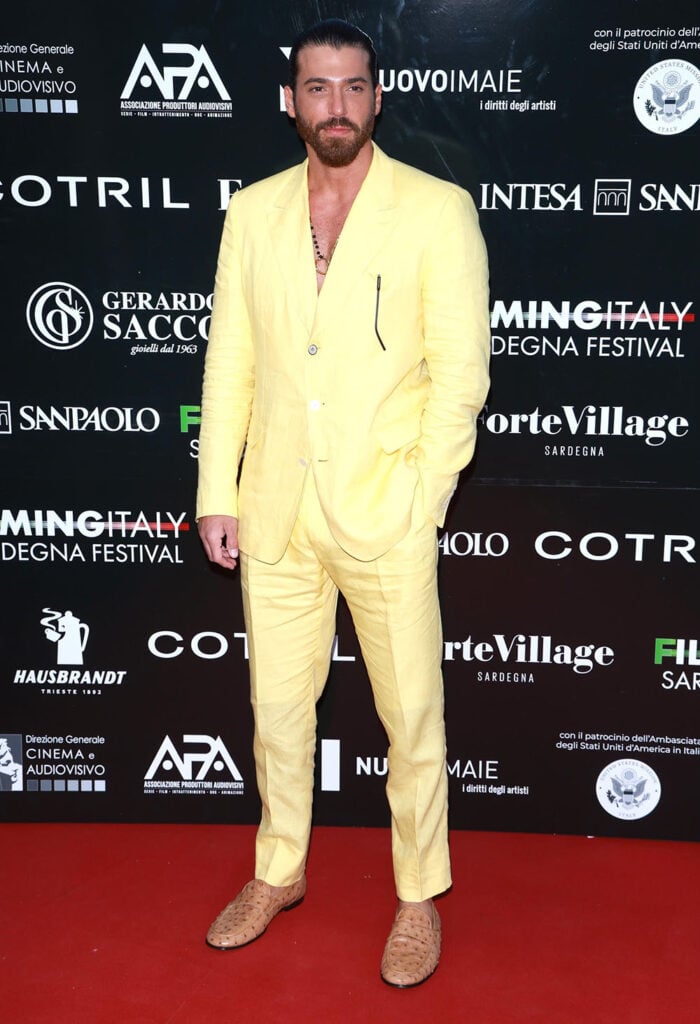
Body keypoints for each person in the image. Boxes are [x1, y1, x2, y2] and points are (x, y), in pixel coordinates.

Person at [196, 18, 490, 987]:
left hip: (384, 508)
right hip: (276, 506)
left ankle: (418, 894)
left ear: (377, 98)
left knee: (412, 715)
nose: (337, 106)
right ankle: (277, 870)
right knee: (278, 710)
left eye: (353, 87)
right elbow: (231, 360)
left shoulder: (436, 211)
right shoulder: (252, 213)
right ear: (290, 102)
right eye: (317, 88)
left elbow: (461, 376)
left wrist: (422, 494)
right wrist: (218, 491)